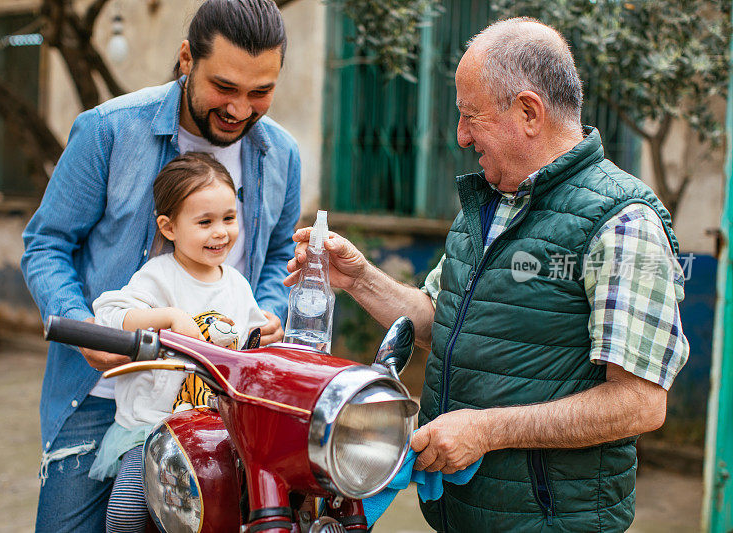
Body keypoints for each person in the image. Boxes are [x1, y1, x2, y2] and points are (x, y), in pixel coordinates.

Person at [287, 17, 689, 532]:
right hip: (461, 516)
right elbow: (438, 323)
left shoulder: (624, 223)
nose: (459, 136)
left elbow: (638, 403)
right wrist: (359, 277)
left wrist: (487, 430)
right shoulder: (485, 205)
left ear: (528, 111)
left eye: (470, 116)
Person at [21, 1, 299, 530]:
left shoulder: (281, 153)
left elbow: (279, 254)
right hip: (98, 394)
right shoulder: (108, 130)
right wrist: (86, 329)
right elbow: (46, 244)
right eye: (225, 87)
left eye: (260, 91)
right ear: (186, 58)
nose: (240, 109)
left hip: (216, 405)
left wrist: (265, 311)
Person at [88, 152, 267, 533]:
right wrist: (168, 318)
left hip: (217, 433)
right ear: (169, 228)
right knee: (126, 515)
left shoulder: (236, 284)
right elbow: (109, 314)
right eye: (205, 222)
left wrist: (268, 331)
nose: (220, 232)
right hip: (154, 430)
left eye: (229, 218)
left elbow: (251, 346)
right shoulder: (159, 276)